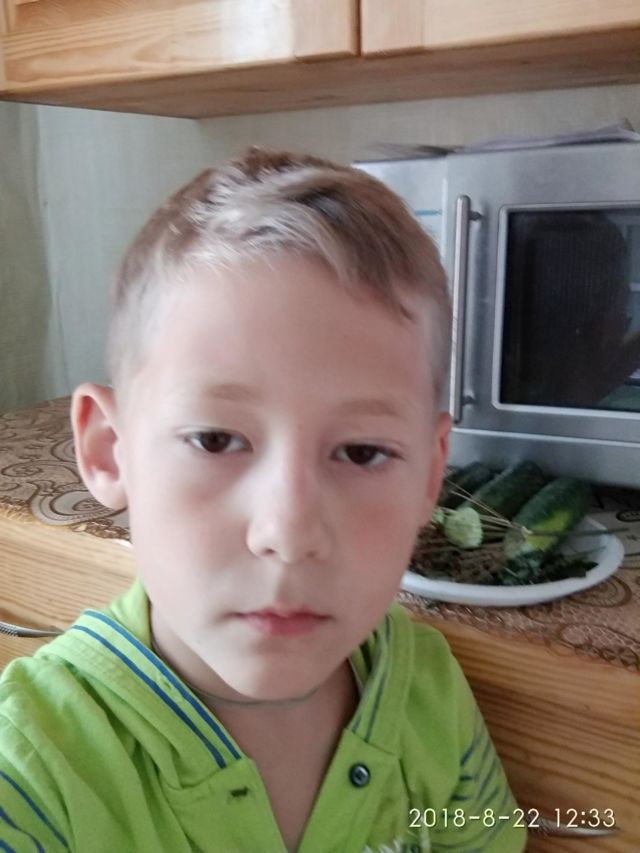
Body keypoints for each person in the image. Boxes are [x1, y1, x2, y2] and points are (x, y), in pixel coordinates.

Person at [0, 148, 528, 852]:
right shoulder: (31, 772)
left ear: (431, 474)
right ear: (108, 450)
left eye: (363, 452)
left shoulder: (427, 692)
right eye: (216, 439)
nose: (288, 531)